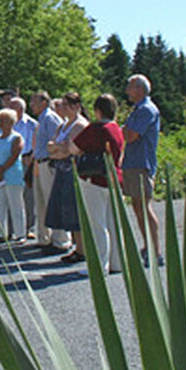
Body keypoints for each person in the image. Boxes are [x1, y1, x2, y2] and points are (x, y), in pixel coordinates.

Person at [69, 94, 125, 274]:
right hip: (113, 179)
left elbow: (74, 148)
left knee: (97, 224)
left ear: (98, 110)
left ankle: (100, 266)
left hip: (94, 179)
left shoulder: (95, 129)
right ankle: (117, 262)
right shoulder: (116, 128)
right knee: (112, 222)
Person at [122, 74, 162, 265]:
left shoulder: (146, 110)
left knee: (144, 207)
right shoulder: (137, 109)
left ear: (139, 89)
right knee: (137, 206)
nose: (127, 91)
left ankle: (156, 251)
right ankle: (147, 246)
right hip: (133, 163)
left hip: (141, 164)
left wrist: (124, 129)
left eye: (130, 87)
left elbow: (131, 135)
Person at [45, 93, 89, 263]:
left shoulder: (80, 125)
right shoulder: (63, 125)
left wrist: (58, 148)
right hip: (61, 170)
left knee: (74, 209)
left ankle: (82, 249)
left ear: (76, 106)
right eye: (62, 105)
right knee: (65, 210)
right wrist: (58, 148)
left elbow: (69, 149)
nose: (63, 108)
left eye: (66, 105)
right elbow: (52, 149)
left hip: (74, 171)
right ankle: (77, 247)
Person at [31, 90, 68, 251]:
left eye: (34, 101)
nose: (31, 105)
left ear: (44, 103)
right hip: (40, 163)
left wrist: (53, 155)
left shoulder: (50, 118)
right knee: (41, 202)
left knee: (53, 202)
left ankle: (60, 240)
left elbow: (60, 139)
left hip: (49, 163)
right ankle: (45, 238)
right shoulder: (41, 119)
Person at [0, 108, 26, 244]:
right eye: (0, 121)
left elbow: (14, 155)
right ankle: (1, 233)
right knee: (0, 205)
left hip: (12, 175)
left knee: (16, 205)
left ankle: (20, 233)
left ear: (11, 122)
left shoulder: (16, 137)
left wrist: (2, 169)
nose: (1, 123)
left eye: (4, 121)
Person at [10, 96, 38, 236]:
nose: (9, 109)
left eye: (12, 107)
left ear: (20, 109)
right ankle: (13, 228)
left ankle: (30, 227)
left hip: (27, 160)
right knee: (13, 194)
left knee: (29, 195)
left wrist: (31, 158)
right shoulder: (7, 124)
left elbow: (37, 142)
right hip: (11, 162)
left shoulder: (32, 124)